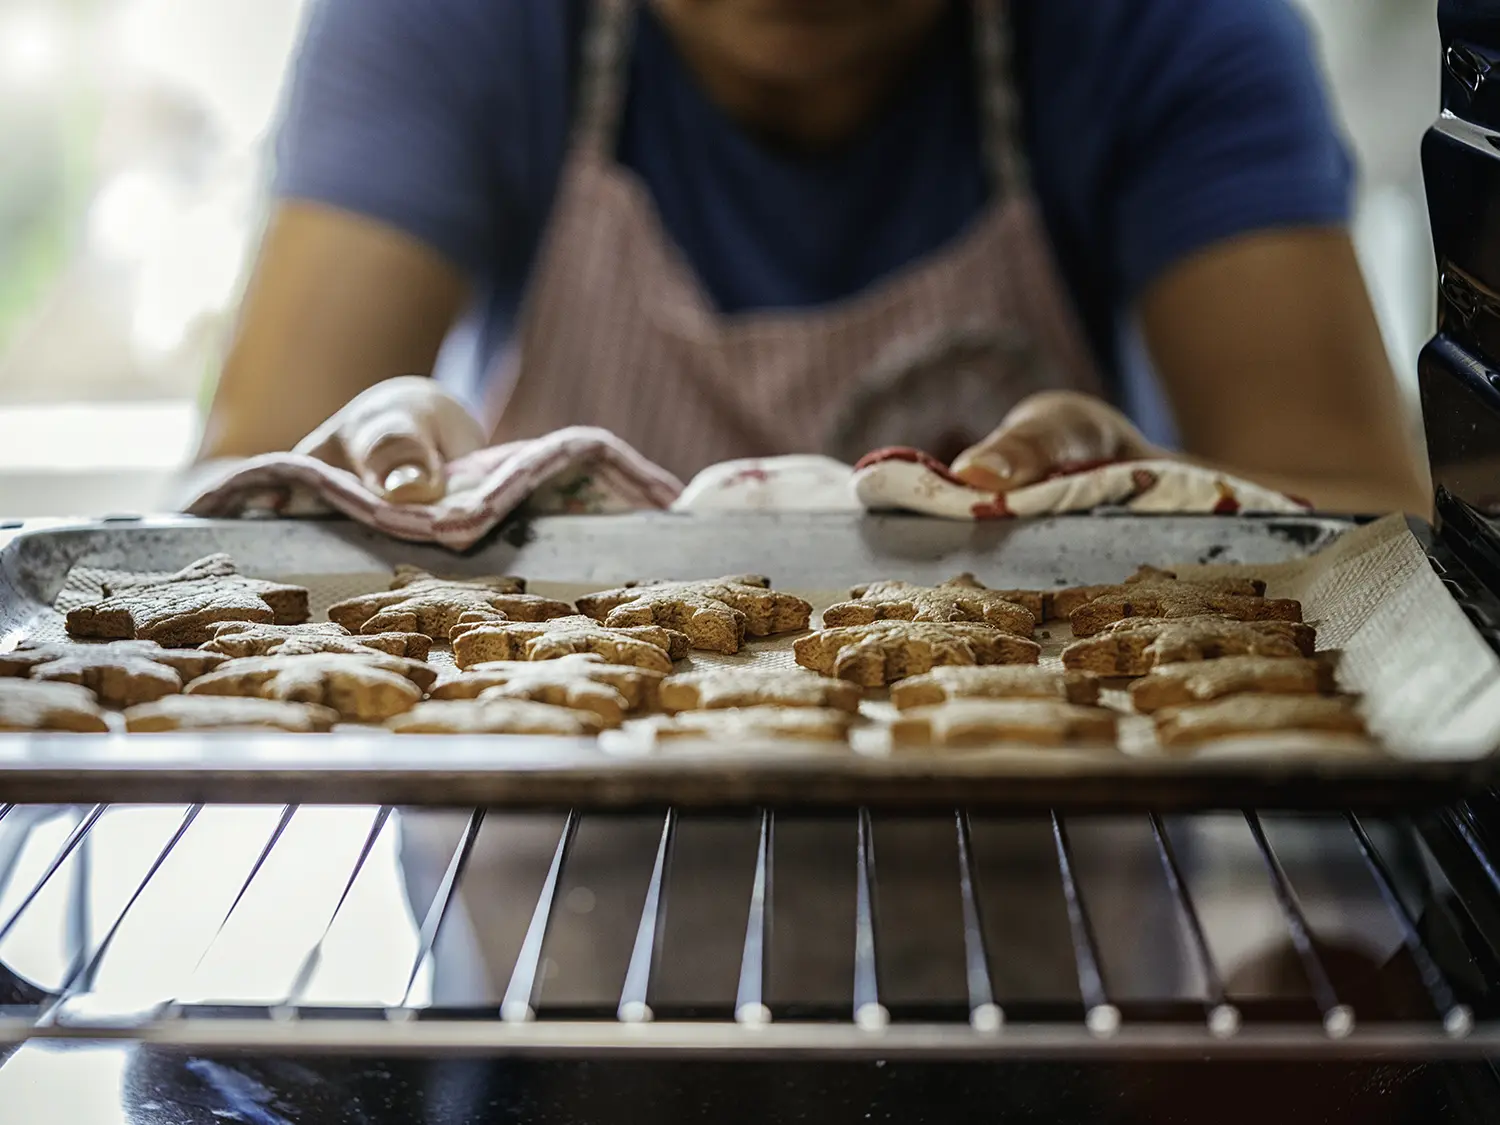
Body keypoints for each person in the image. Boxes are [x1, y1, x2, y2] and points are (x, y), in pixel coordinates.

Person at [196, 0, 1430, 516]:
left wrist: (1148, 511)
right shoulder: (447, 24)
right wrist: (368, 481)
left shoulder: (1166, 28)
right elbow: (237, 505)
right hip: (544, 915)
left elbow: (1365, 530)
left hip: (1055, 907)